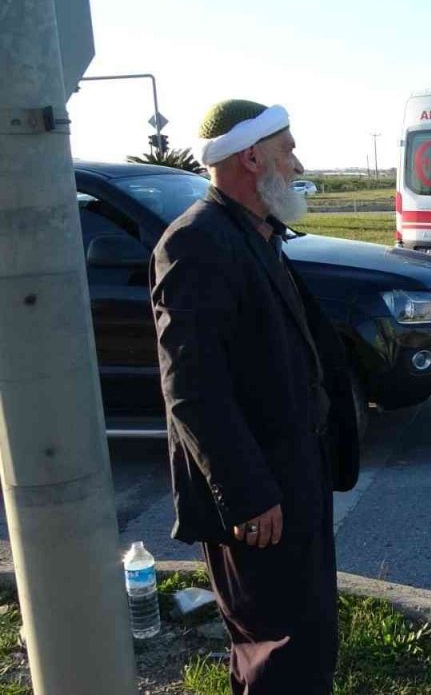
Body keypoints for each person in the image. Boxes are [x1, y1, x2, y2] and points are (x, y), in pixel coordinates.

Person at [150, 99, 361, 693]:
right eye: (287, 149)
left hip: (295, 473)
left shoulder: (253, 232)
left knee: (307, 635)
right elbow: (192, 388)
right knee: (278, 647)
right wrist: (245, 495)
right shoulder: (196, 243)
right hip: (258, 495)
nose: (297, 163)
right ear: (251, 156)